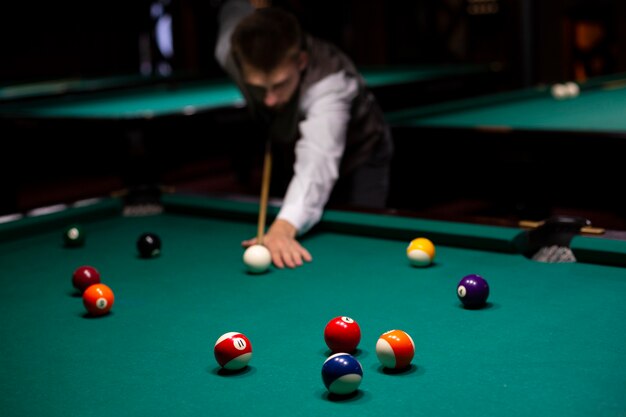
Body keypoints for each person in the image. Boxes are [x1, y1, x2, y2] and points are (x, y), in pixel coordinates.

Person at [215, 0, 393, 269]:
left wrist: (285, 227)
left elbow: (317, 161)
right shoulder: (227, 49)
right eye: (259, 89)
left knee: (362, 252)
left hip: (362, 153)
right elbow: (233, 8)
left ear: (301, 61)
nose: (270, 100)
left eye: (279, 84)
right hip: (289, 140)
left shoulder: (329, 84)